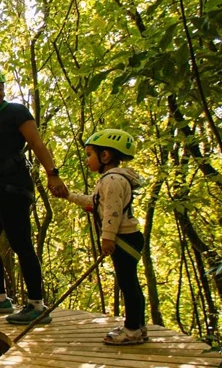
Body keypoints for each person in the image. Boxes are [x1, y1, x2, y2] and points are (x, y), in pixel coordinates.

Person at [0, 65, 67, 325]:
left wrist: (52, 173)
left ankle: (36, 304)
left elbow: (36, 142)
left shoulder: (15, 112)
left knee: (20, 242)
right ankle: (0, 297)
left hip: (13, 186)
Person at [58, 128, 147, 345]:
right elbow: (96, 202)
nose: (87, 159)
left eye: (90, 154)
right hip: (125, 238)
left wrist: (107, 238)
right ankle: (137, 325)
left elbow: (112, 212)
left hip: (123, 239)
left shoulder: (113, 180)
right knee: (130, 284)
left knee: (128, 285)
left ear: (105, 156)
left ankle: (133, 329)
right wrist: (69, 196)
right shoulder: (110, 179)